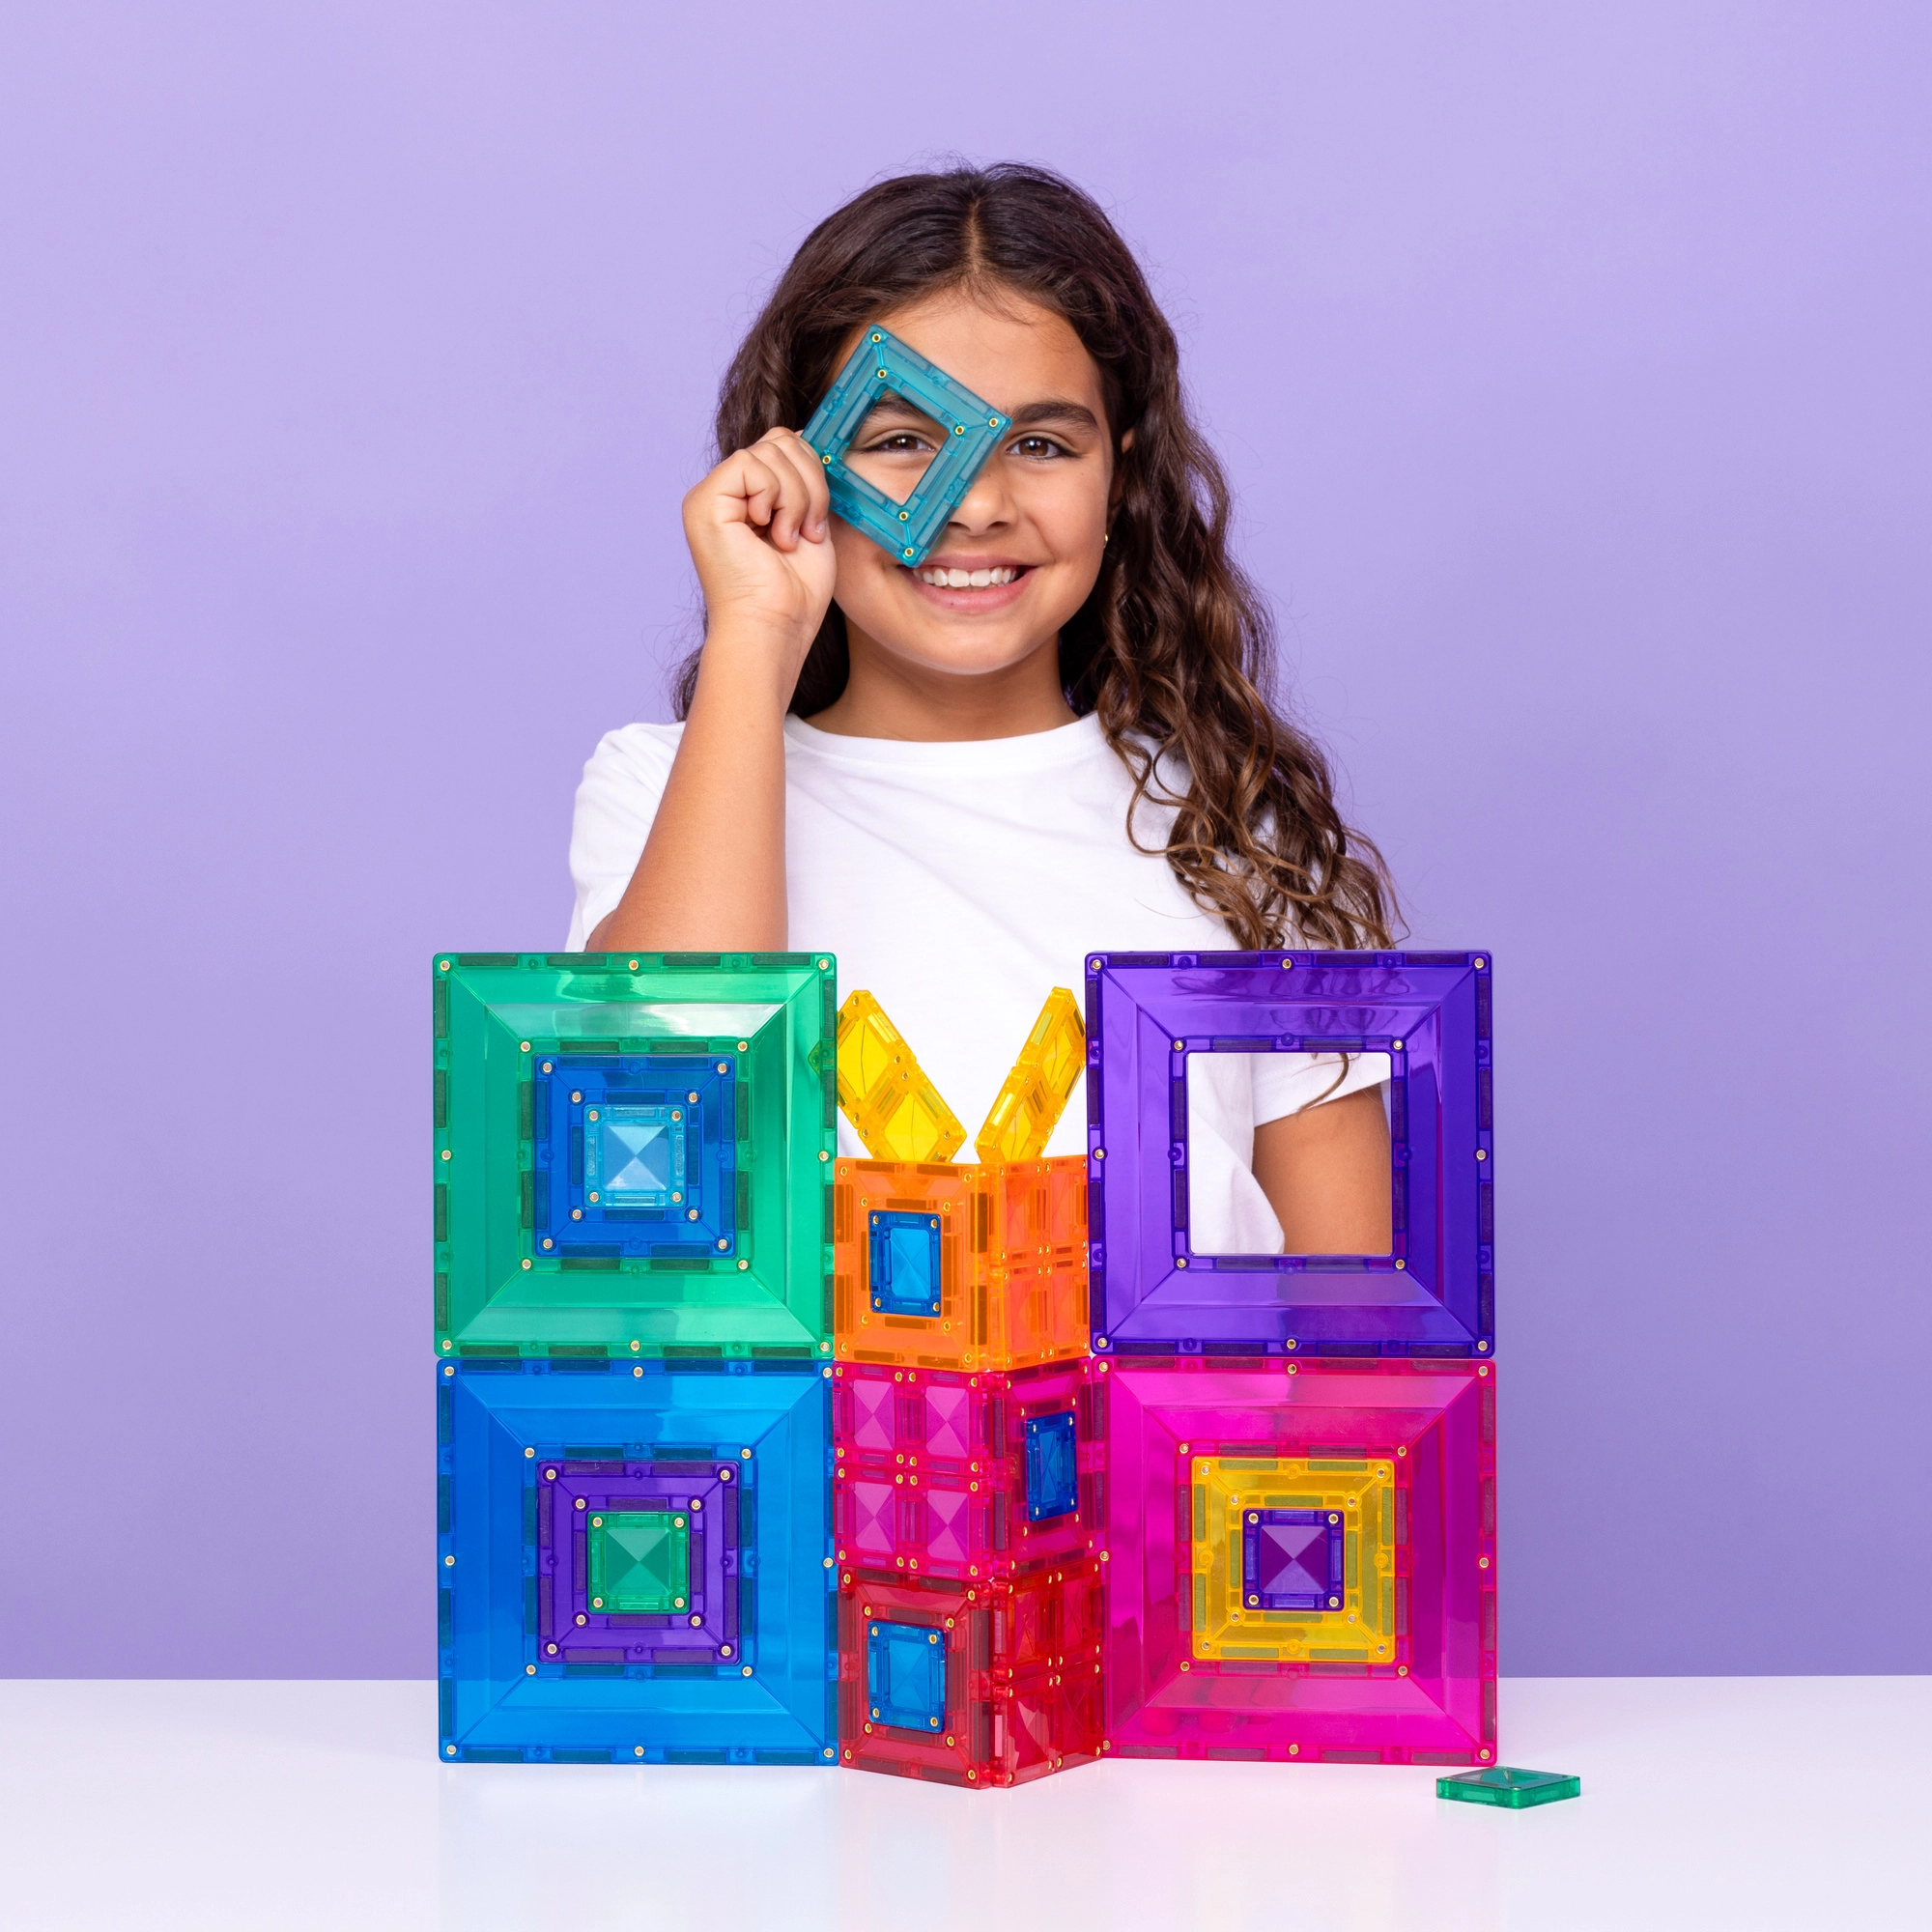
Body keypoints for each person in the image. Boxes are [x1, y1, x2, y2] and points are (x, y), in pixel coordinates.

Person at [566, 163, 1399, 1257]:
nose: (975, 505)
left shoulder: (1236, 831)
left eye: (1042, 446)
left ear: (1119, 479)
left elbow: (1348, 1306)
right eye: (902, 442)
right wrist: (755, 629)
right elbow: (650, 1143)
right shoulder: (656, 788)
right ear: (800, 471)